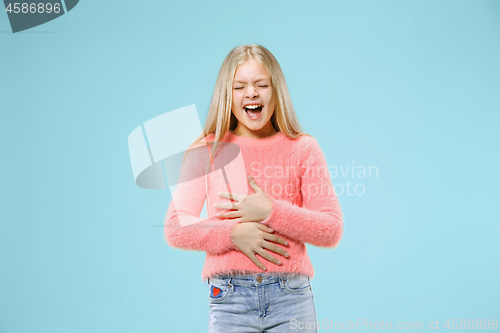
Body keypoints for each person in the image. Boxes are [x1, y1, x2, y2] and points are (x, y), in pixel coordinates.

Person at [164, 44, 344, 333]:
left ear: (276, 91)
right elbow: (175, 226)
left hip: (291, 298)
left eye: (262, 84)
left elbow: (331, 228)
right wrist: (232, 234)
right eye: (240, 87)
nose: (251, 93)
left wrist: (271, 211)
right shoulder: (207, 150)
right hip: (229, 298)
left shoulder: (303, 149)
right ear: (227, 94)